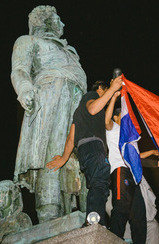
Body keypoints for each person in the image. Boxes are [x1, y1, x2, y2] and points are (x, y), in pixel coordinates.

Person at [11, 5, 87, 222]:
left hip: (77, 100)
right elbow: (19, 70)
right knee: (51, 151)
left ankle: (76, 208)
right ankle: (49, 210)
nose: (62, 24)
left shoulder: (70, 52)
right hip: (50, 94)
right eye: (58, 19)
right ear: (44, 22)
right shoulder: (29, 41)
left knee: (79, 155)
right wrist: (24, 89)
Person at [47, 77, 123, 227]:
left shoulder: (78, 112)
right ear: (100, 88)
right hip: (94, 147)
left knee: (97, 184)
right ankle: (94, 221)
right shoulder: (92, 96)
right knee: (100, 182)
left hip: (84, 151)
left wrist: (64, 158)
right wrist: (113, 89)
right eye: (106, 90)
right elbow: (94, 108)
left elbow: (71, 137)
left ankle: (94, 220)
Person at [104, 92, 147, 243]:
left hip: (134, 176)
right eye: (123, 114)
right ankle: (114, 239)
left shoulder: (129, 135)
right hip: (120, 171)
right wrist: (114, 97)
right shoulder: (113, 128)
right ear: (116, 117)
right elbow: (106, 121)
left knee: (139, 216)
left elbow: (136, 155)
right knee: (121, 207)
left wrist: (153, 154)